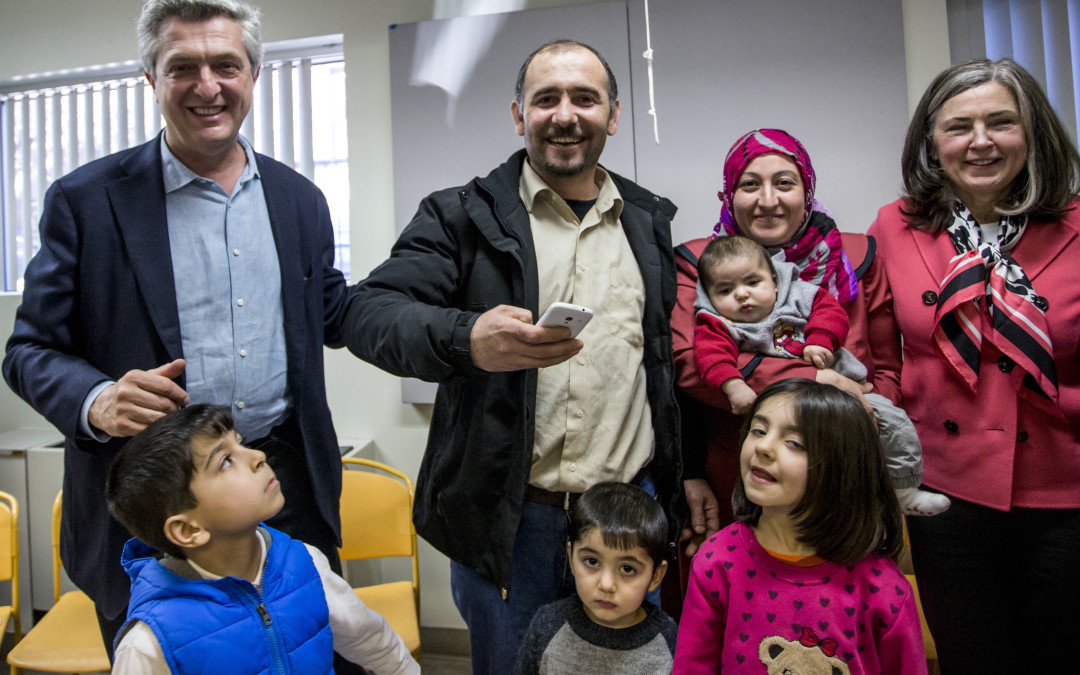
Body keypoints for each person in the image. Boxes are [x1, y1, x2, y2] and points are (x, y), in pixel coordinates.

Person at [2, 0, 351, 655]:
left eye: (226, 64)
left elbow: (333, 313)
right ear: (150, 78)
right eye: (182, 66)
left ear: (253, 73)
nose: (207, 85)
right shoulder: (85, 202)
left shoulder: (301, 200)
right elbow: (27, 350)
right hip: (152, 514)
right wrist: (96, 398)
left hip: (286, 494)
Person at [341, 39, 682, 674]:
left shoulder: (647, 223)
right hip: (511, 526)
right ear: (518, 114)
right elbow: (367, 313)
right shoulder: (459, 216)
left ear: (613, 113)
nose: (565, 113)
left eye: (585, 97)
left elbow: (659, 370)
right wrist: (467, 339)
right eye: (545, 97)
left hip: (629, 518)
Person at [867, 57, 1080, 672]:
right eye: (959, 126)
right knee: (970, 659)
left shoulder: (1075, 224)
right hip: (947, 493)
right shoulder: (895, 225)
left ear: (1033, 131)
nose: (980, 141)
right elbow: (883, 360)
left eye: (1001, 122)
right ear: (933, 143)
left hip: (1063, 490)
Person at [670, 128, 903, 558]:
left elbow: (888, 369)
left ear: (807, 190)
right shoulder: (698, 263)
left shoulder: (857, 256)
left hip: (844, 465)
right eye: (749, 184)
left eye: (784, 183)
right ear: (729, 194)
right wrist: (820, 380)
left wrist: (866, 423)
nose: (768, 200)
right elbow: (689, 364)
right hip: (739, 469)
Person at [105, 404, 419, 674]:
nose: (257, 456)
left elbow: (370, 638)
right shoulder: (149, 643)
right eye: (225, 461)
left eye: (240, 443)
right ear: (188, 530)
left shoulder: (305, 562)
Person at [673, 379, 927, 674]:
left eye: (793, 442)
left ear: (841, 469)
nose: (764, 447)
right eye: (758, 430)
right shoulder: (717, 560)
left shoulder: (883, 589)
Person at [693, 235, 949, 516]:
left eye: (753, 283)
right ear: (709, 296)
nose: (741, 294)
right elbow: (710, 355)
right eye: (725, 290)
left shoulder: (798, 295)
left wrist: (819, 340)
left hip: (842, 391)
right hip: (780, 409)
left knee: (895, 425)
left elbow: (831, 313)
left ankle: (902, 493)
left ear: (775, 282)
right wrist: (732, 385)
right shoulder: (719, 322)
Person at [513, 482, 677, 674]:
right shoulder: (546, 626)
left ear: (656, 575)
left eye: (627, 568)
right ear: (571, 558)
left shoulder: (670, 642)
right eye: (591, 561)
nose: (606, 585)